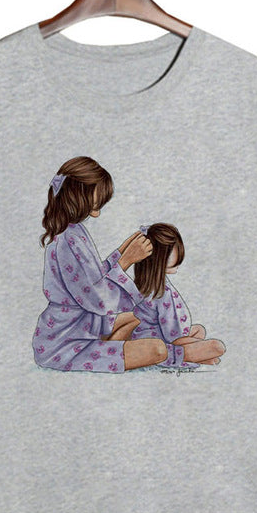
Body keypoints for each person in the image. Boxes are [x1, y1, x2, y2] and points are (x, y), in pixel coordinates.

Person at [32, 156, 175, 373]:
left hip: (83, 327)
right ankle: (172, 354)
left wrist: (121, 253)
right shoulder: (67, 241)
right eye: (96, 202)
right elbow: (98, 298)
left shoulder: (74, 231)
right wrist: (126, 260)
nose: (97, 211)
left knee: (137, 318)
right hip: (66, 345)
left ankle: (111, 346)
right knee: (158, 349)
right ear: (78, 195)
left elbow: (93, 278)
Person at [131, 223, 226, 367]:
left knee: (199, 330)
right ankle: (195, 355)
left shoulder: (148, 283)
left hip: (152, 336)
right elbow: (173, 333)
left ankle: (198, 355)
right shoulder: (160, 291)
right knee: (217, 347)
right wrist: (188, 342)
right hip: (159, 344)